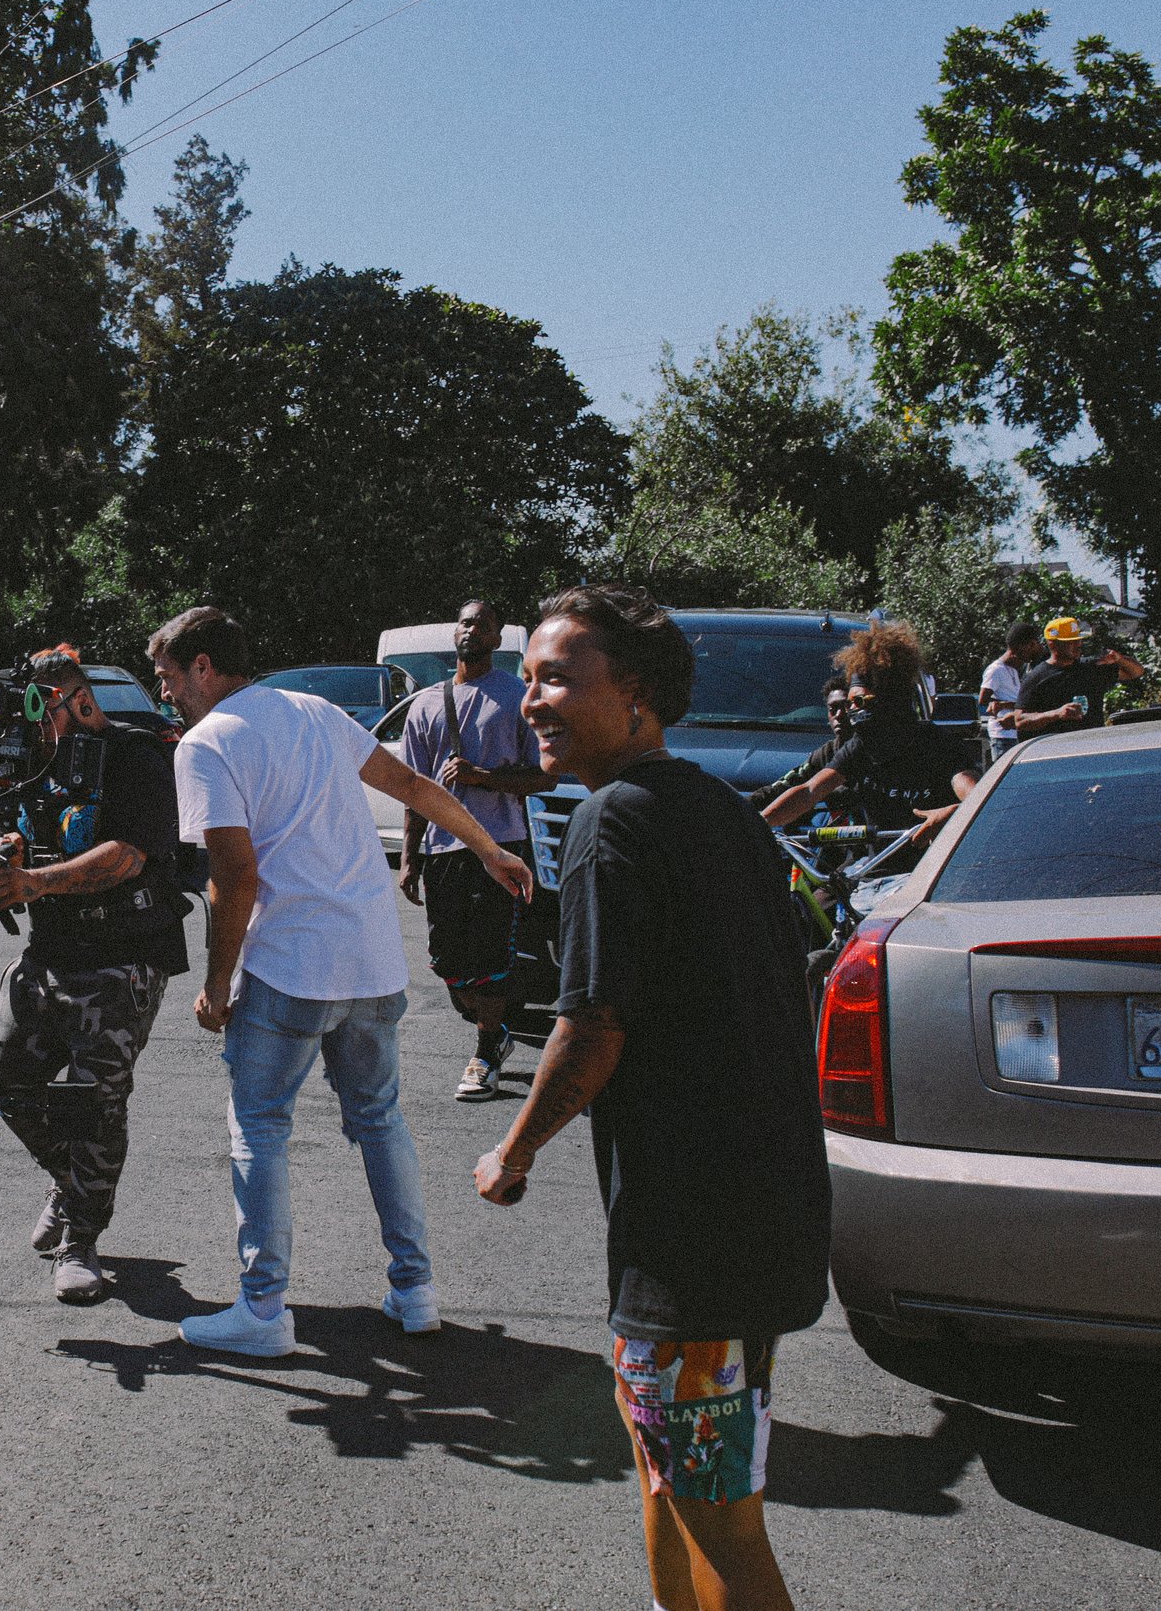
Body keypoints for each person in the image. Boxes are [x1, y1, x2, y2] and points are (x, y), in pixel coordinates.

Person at [475, 583, 826, 1611]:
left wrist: (515, 1147)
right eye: (528, 676)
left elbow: (590, 1026)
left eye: (556, 678)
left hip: (695, 1240)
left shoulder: (609, 821)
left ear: (634, 696)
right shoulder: (718, 807)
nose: (531, 699)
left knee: (718, 1510)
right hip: (756, 1211)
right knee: (669, 1469)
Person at [149, 606, 533, 1358]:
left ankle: (263, 1309)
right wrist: (488, 847)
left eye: (168, 679)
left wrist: (216, 985)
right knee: (380, 1120)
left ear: (202, 666)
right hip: (373, 963)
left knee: (258, 1124)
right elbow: (415, 785)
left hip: (291, 967)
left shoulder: (205, 744)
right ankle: (416, 1290)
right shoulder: (316, 712)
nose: (166, 695)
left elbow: (235, 874)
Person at [0, 646, 189, 1305]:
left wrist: (32, 878)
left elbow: (125, 857)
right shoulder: (30, 756)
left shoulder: (135, 758)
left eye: (43, 711)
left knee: (93, 1099)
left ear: (81, 703)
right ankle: (73, 1185)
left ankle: (82, 1238)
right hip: (50, 952)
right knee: (3, 1081)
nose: (33, 727)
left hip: (125, 953)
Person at [394, 598, 553, 1100]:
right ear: (455, 632)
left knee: (490, 954)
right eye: (465, 623)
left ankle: (486, 1051)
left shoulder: (516, 697)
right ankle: (494, 1028)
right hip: (443, 851)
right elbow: (414, 789)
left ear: (497, 636)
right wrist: (409, 857)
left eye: (482, 625)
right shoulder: (425, 703)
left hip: (501, 846)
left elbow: (542, 778)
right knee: (448, 961)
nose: (472, 631)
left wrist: (483, 778)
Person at [760, 621, 978, 857]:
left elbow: (982, 799)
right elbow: (810, 791)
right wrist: (760, 824)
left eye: (859, 702)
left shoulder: (937, 745)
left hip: (929, 873)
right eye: (849, 702)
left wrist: (953, 812)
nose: (851, 710)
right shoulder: (862, 746)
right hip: (873, 872)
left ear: (889, 699)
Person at [1013, 617, 1144, 741]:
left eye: (1079, 639)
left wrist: (1120, 659)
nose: (1078, 644)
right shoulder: (1036, 677)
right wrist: (1056, 714)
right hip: (1058, 753)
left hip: (1093, 748)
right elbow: (1020, 721)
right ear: (1052, 644)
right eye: (1071, 641)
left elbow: (1136, 672)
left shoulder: (1091, 668)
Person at [748, 676, 852, 814]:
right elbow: (785, 786)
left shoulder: (879, 748)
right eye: (833, 709)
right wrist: (741, 805)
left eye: (846, 707)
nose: (839, 715)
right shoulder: (826, 753)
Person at [978, 622, 1044, 767]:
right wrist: (1004, 705)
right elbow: (983, 700)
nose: (1033, 650)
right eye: (1031, 645)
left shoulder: (1014, 670)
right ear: (1021, 646)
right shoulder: (995, 670)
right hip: (1003, 735)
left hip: (1016, 733)